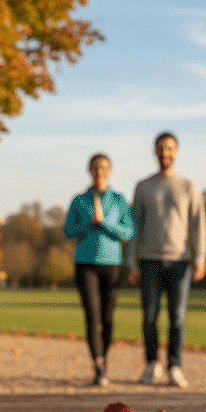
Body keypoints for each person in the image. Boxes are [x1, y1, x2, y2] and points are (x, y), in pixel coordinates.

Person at [128, 131, 206, 388]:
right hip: (149, 260)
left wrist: (201, 257)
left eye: (170, 148)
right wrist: (131, 260)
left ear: (176, 152)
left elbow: (198, 224)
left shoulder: (188, 185)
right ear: (154, 151)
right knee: (149, 317)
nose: (165, 153)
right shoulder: (143, 186)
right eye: (161, 148)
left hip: (180, 261)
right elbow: (135, 227)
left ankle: (175, 366)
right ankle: (152, 364)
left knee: (178, 317)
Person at [64, 153, 135, 386]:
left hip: (112, 264)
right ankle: (98, 365)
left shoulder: (119, 200)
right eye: (95, 167)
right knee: (92, 316)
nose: (99, 171)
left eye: (104, 167)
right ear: (89, 170)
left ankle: (104, 358)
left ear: (110, 170)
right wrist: (90, 222)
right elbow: (68, 231)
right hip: (85, 264)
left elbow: (128, 232)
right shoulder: (79, 200)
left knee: (107, 317)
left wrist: (103, 221)